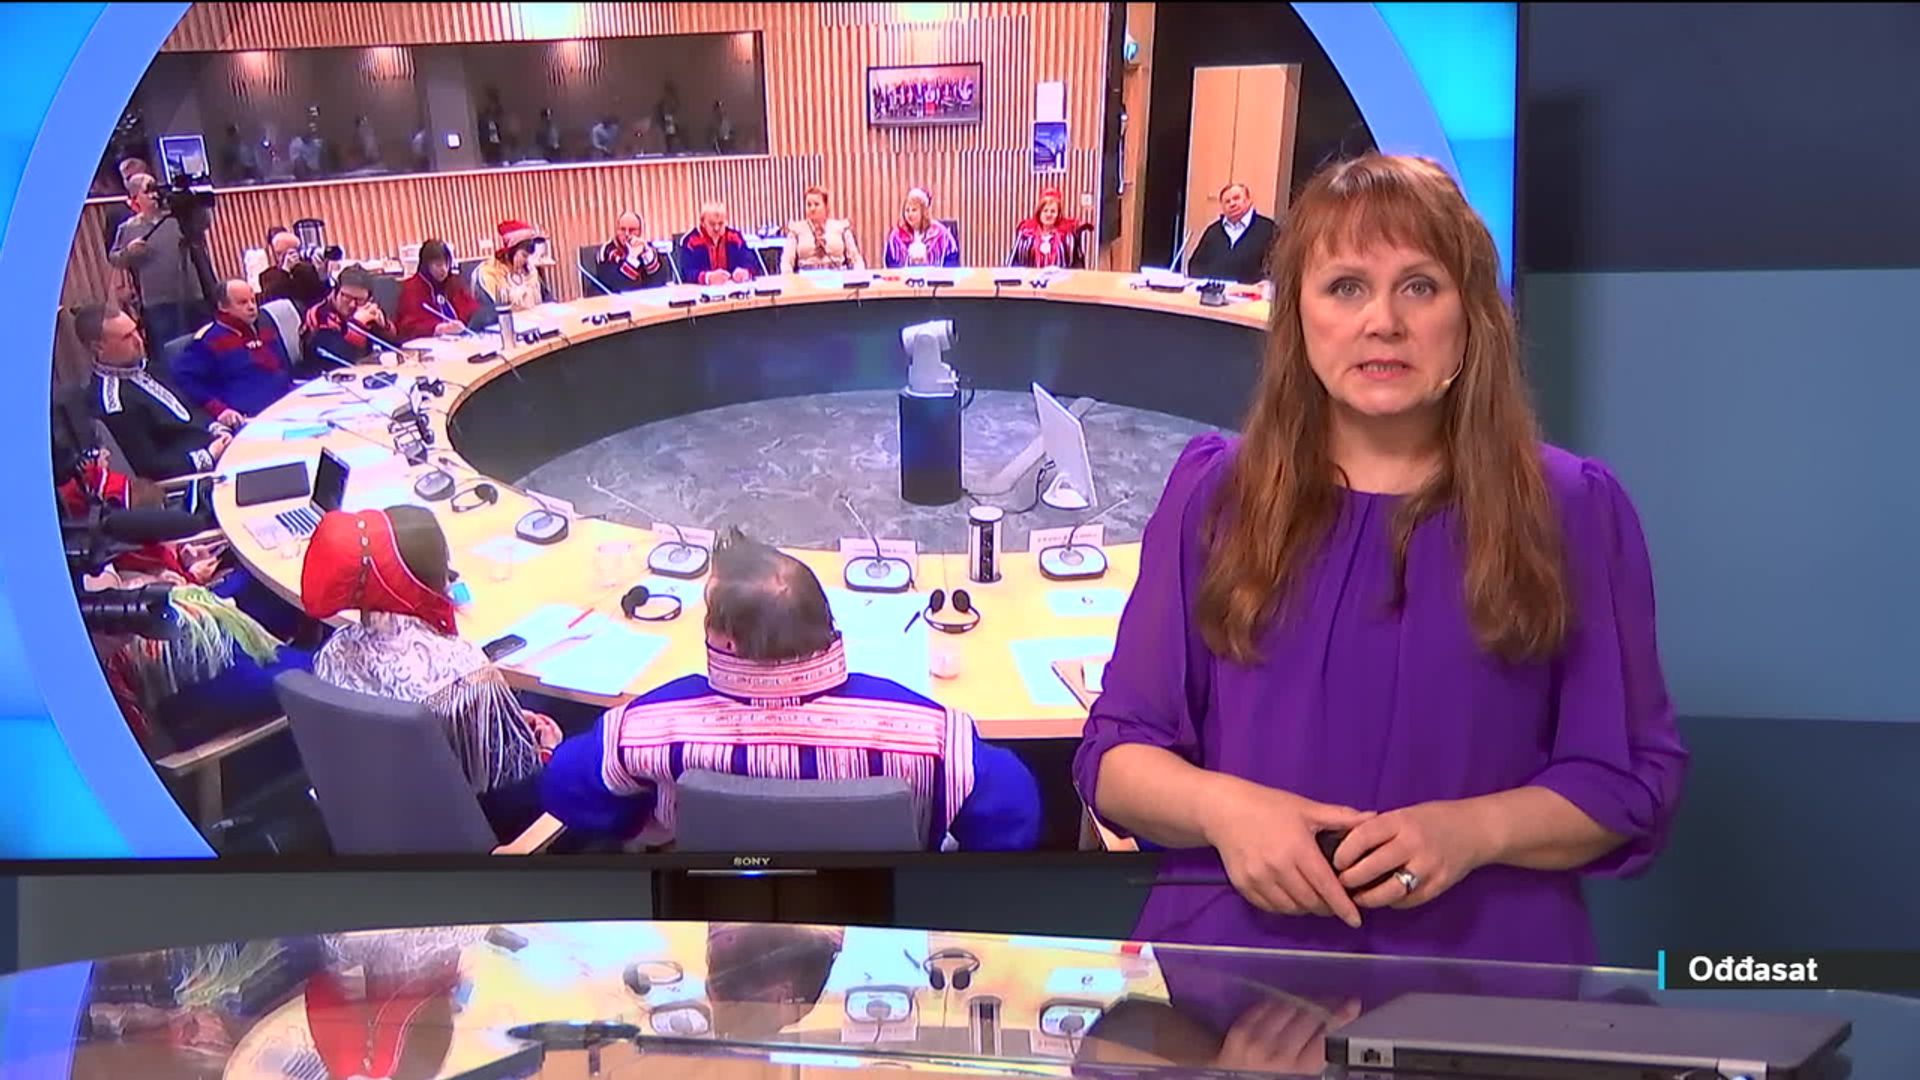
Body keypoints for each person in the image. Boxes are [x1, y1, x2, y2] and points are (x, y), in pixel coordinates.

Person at [1070, 153, 1688, 966]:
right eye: (1346, 287)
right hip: (1232, 971)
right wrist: (1227, 811)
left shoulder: (1572, 506)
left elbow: (1630, 780)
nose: (1383, 322)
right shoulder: (1214, 493)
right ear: (1298, 316)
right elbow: (1116, 758)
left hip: (1484, 981)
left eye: (1420, 286)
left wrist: (1474, 830)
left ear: (1472, 316)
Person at [541, 529, 1042, 851]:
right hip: (888, 919)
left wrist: (643, 824)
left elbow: (564, 787)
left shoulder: (645, 729)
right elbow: (1016, 809)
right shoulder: (934, 737)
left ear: (727, 640)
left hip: (712, 912)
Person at [302, 507, 562, 842]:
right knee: (578, 723)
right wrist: (548, 752)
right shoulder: (466, 673)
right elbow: (514, 791)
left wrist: (496, 719)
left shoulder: (333, 651)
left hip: (371, 821)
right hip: (467, 833)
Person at [76, 303, 231, 480]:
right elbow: (149, 466)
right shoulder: (113, 404)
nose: (139, 341)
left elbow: (189, 408)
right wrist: (208, 456)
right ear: (98, 348)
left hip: (219, 445)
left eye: (136, 330)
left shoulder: (149, 368)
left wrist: (217, 428)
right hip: (197, 474)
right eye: (127, 337)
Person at [109, 173, 208, 349]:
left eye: (155, 189)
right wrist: (129, 252)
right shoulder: (128, 228)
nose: (154, 195)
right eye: (147, 191)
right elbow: (115, 259)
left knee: (203, 343)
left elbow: (203, 224)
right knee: (171, 348)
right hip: (158, 300)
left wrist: (193, 203)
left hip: (192, 293)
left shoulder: (178, 218)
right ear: (135, 198)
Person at [172, 279, 292, 421]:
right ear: (223, 306)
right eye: (243, 302)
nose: (251, 307)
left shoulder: (265, 328)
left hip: (288, 403)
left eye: (253, 301)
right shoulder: (207, 340)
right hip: (251, 416)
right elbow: (184, 379)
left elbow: (283, 368)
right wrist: (219, 410)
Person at [301, 265, 397, 370]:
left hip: (366, 371)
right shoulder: (319, 314)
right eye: (346, 297)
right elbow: (339, 358)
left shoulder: (366, 309)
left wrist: (384, 328)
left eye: (359, 300)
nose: (352, 304)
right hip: (323, 373)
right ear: (335, 292)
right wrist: (357, 324)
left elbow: (392, 350)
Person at [1187, 182, 1281, 284]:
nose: (1232, 204)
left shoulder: (1268, 229)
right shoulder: (1213, 231)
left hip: (1251, 292)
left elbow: (1278, 265)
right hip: (1214, 291)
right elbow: (1195, 265)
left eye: (1236, 198)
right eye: (1227, 201)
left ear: (1249, 200)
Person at [395, 239, 481, 340]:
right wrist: (439, 328)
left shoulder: (453, 282)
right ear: (426, 266)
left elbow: (471, 309)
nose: (444, 269)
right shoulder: (413, 288)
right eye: (438, 265)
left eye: (447, 263)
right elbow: (407, 327)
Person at [473, 219, 552, 314]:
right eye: (524, 255)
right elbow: (489, 311)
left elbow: (546, 298)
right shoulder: (489, 273)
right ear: (511, 251)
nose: (527, 261)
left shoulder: (530, 271)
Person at [780, 185, 864, 273]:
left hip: (837, 276)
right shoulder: (796, 230)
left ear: (826, 206)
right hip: (806, 279)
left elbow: (856, 259)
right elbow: (786, 262)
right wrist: (788, 277)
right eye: (809, 205)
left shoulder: (841, 228)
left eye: (816, 204)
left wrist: (860, 275)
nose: (812, 208)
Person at [676, 201, 759, 285]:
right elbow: (685, 272)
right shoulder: (691, 241)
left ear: (726, 222)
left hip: (732, 288)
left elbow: (752, 263)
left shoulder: (735, 237)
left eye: (720, 223)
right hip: (702, 290)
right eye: (712, 224)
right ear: (702, 223)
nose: (716, 228)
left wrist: (745, 272)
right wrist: (707, 277)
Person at [591, 212, 674, 293]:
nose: (627, 234)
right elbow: (619, 285)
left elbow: (660, 281)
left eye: (632, 230)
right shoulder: (606, 252)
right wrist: (632, 258)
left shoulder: (646, 247)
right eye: (622, 229)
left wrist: (647, 256)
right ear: (617, 231)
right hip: (613, 299)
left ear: (640, 232)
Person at [883, 187, 960, 269]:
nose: (910, 214)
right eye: (907, 210)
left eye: (914, 210)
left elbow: (952, 261)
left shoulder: (941, 234)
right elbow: (890, 264)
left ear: (924, 212)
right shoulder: (896, 236)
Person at [259, 226, 331, 310]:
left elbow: (322, 297)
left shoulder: (308, 269)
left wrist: (323, 276)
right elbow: (272, 300)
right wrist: (285, 270)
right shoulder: (267, 276)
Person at [1009, 188, 1084, 269]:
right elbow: (1014, 261)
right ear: (1039, 212)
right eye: (1045, 211)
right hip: (1030, 276)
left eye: (1053, 211)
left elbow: (1076, 264)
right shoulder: (1026, 234)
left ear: (1058, 214)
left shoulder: (1067, 237)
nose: (1048, 214)